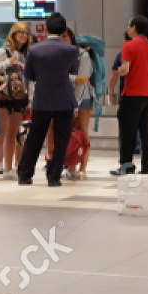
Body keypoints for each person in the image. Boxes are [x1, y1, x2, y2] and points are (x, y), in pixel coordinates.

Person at [15, 13, 79, 188]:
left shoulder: (34, 50)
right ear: (64, 30)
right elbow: (73, 71)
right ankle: (54, 177)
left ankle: (25, 174)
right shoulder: (71, 50)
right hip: (64, 100)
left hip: (42, 99)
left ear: (46, 28)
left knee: (35, 137)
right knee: (61, 140)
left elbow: (29, 75)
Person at [111, 15, 148, 176]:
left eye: (129, 25)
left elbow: (125, 69)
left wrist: (120, 70)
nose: (127, 28)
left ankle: (127, 166)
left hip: (132, 94)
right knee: (147, 133)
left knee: (128, 133)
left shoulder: (129, 46)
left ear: (134, 28)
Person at [0, 23, 30, 182]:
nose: (24, 35)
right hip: (2, 96)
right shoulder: (4, 51)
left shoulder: (25, 54)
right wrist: (7, 63)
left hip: (19, 97)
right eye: (21, 32)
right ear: (14, 34)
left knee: (13, 134)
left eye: (26, 33)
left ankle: (9, 169)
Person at [62, 27, 93, 180]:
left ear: (71, 37)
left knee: (83, 133)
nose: (62, 39)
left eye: (65, 36)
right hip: (65, 98)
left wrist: (76, 104)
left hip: (83, 98)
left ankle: (83, 169)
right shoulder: (60, 55)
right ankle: (71, 165)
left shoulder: (83, 55)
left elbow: (83, 81)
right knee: (69, 134)